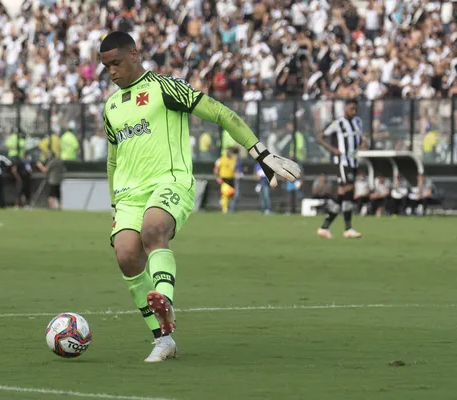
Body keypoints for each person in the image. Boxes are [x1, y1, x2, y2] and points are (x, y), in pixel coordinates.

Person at [101, 31, 300, 362]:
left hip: (170, 181)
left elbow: (220, 113)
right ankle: (163, 340)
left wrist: (261, 153)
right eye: (105, 66)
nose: (111, 72)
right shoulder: (110, 107)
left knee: (153, 230)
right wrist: (113, 204)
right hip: (129, 196)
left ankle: (164, 301)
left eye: (116, 63)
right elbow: (113, 159)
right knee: (125, 255)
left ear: (135, 55)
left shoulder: (165, 88)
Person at [316, 99, 368, 239]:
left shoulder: (358, 121)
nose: (354, 111)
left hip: (354, 161)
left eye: (355, 109)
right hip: (343, 162)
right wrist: (333, 150)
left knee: (341, 194)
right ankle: (348, 228)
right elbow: (320, 137)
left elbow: (360, 138)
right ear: (345, 108)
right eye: (351, 108)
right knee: (349, 191)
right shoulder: (338, 123)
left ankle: (324, 227)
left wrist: (363, 143)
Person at [213, 147, 237, 214]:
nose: (228, 153)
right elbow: (216, 169)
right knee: (225, 194)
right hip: (224, 179)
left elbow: (234, 169)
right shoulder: (221, 159)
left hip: (231, 179)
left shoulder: (233, 160)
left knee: (231, 194)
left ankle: (222, 202)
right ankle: (225, 209)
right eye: (227, 151)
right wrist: (217, 177)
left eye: (229, 152)